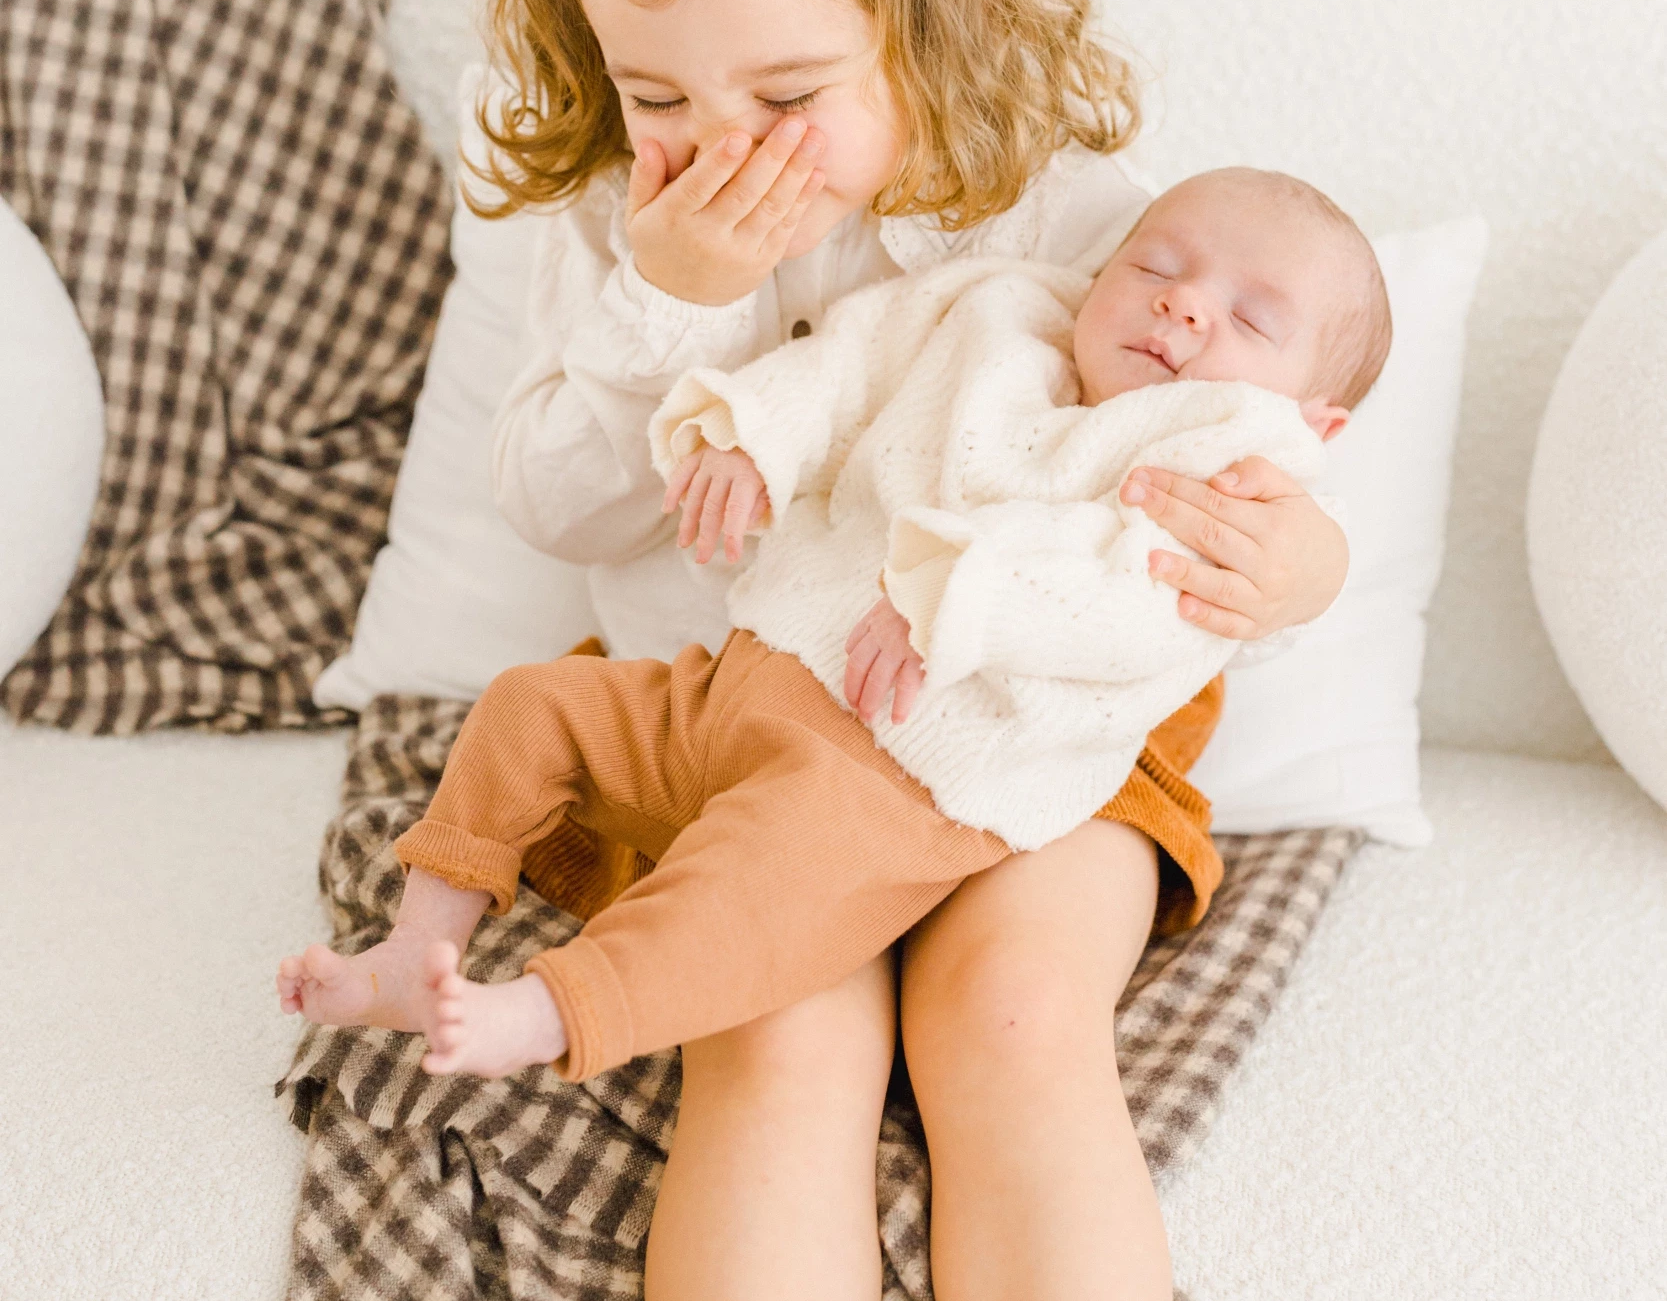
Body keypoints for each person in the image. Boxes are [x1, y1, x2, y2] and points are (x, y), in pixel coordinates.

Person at [277, 0, 1350, 1301]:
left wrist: (1282, 566)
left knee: (1012, 1028)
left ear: (924, 12)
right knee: (777, 1033)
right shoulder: (619, 226)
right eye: (655, 91)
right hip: (753, 735)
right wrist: (670, 290)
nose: (723, 147)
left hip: (1027, 730)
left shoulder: (1051, 209)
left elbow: (1241, 454)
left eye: (783, 84)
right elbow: (561, 500)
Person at [308, 166, 1381, 1088]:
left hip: (889, 778)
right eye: (1154, 266)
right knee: (531, 706)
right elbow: (851, 362)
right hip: (731, 692)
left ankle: (548, 1014)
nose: (1184, 306)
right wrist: (748, 433)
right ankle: (418, 946)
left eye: (1249, 319)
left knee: (744, 892)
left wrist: (949, 599)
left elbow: (1124, 606)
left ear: (1313, 421)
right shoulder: (997, 314)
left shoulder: (1224, 469)